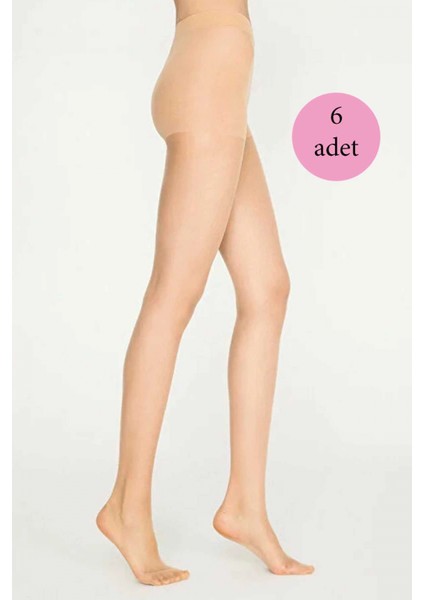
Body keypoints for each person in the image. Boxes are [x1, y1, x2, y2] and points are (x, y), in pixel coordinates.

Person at [96, 0, 314, 586]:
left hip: (218, 73)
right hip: (210, 68)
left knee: (268, 289)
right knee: (173, 291)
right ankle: (126, 506)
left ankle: (245, 506)